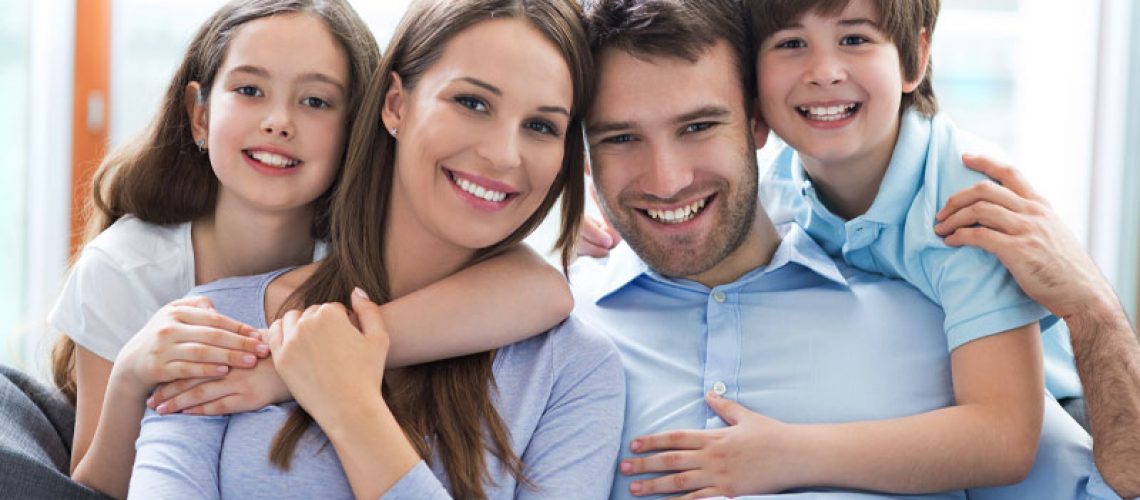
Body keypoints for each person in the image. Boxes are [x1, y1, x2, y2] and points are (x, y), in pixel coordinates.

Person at [572, 0, 1128, 497]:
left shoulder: (963, 202)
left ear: (914, 59)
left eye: (855, 38)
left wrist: (782, 455)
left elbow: (1007, 438)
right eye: (791, 44)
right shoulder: (787, 181)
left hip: (1052, 396)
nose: (824, 72)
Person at [47, 1, 575, 498]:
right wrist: (131, 378)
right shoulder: (130, 268)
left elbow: (543, 291)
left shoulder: (356, 246)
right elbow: (89, 488)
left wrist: (301, 364)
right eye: (250, 90)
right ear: (200, 114)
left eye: (316, 101)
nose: (280, 121)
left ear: (355, 128)